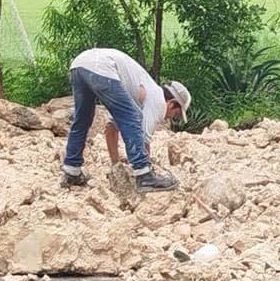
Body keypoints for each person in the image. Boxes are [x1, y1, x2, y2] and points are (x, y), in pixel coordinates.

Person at [62, 47, 191, 193]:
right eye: (175, 114)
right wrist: (146, 166)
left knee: (83, 118)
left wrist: (116, 165)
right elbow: (143, 139)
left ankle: (72, 170)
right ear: (172, 103)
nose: (170, 118)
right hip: (101, 67)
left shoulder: (135, 92)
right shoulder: (158, 99)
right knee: (134, 116)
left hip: (79, 65)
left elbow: (111, 128)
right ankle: (144, 177)